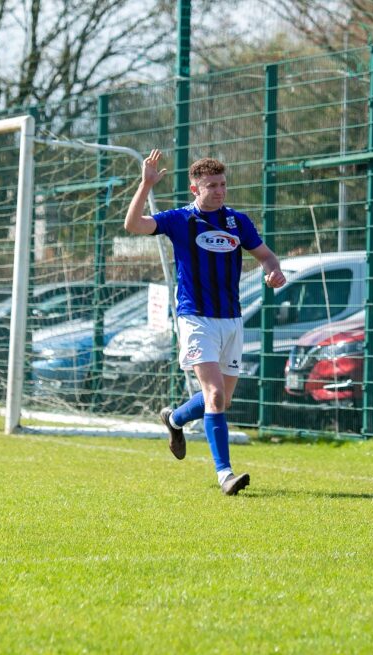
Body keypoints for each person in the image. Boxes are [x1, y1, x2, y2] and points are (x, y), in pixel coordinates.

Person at [124, 150, 286, 495]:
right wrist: (145, 184)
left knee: (222, 401)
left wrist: (274, 270)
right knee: (213, 395)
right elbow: (133, 225)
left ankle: (175, 418)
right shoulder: (179, 220)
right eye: (211, 185)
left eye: (223, 184)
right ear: (194, 188)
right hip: (195, 317)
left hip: (231, 319)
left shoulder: (237, 222)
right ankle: (225, 474)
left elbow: (266, 255)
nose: (219, 191)